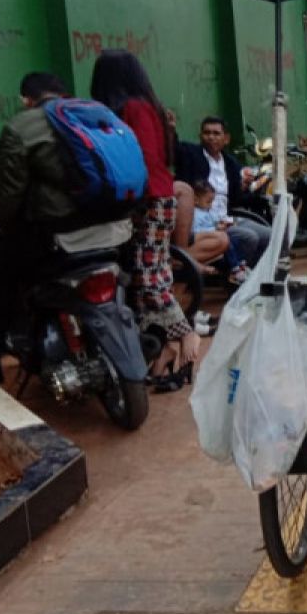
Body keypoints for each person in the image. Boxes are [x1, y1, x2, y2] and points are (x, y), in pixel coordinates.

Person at [0, 72, 99, 385]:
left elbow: (8, 194)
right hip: (111, 228)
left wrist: (4, 223)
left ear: (26, 99)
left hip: (55, 234)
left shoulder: (22, 126)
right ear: (62, 92)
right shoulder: (94, 116)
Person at [91, 49, 199, 385]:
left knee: (148, 274)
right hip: (158, 196)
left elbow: (143, 157)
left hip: (148, 200)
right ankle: (159, 349)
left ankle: (184, 335)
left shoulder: (133, 109)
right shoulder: (148, 106)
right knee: (144, 277)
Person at [174, 117, 272, 266]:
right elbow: (173, 148)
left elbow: (237, 198)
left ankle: (251, 274)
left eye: (216, 133)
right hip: (204, 223)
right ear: (200, 136)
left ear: (226, 138)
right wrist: (170, 127)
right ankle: (233, 275)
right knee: (250, 237)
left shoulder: (231, 163)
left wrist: (245, 187)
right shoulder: (190, 154)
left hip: (227, 218)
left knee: (271, 235)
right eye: (207, 133)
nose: (211, 137)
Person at [190, 181, 248, 283]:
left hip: (214, 236)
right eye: (208, 202)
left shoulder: (206, 211)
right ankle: (235, 269)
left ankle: (240, 263)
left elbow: (212, 223)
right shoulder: (195, 214)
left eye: (212, 202)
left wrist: (220, 226)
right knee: (228, 244)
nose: (210, 205)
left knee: (235, 239)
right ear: (196, 200)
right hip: (205, 240)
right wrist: (214, 230)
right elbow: (196, 231)